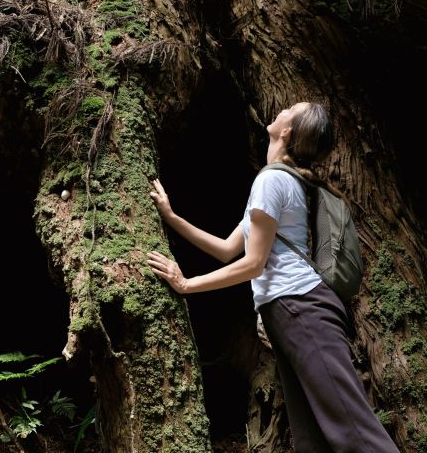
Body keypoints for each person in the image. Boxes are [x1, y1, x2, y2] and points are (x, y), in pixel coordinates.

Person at [147, 102, 399, 453]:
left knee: (356, 433)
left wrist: (187, 284)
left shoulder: (272, 180)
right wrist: (171, 217)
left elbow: (253, 264)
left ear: (288, 132)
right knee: (311, 439)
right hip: (291, 312)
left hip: (302, 309)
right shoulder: (278, 181)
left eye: (290, 109)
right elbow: (226, 248)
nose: (281, 109)